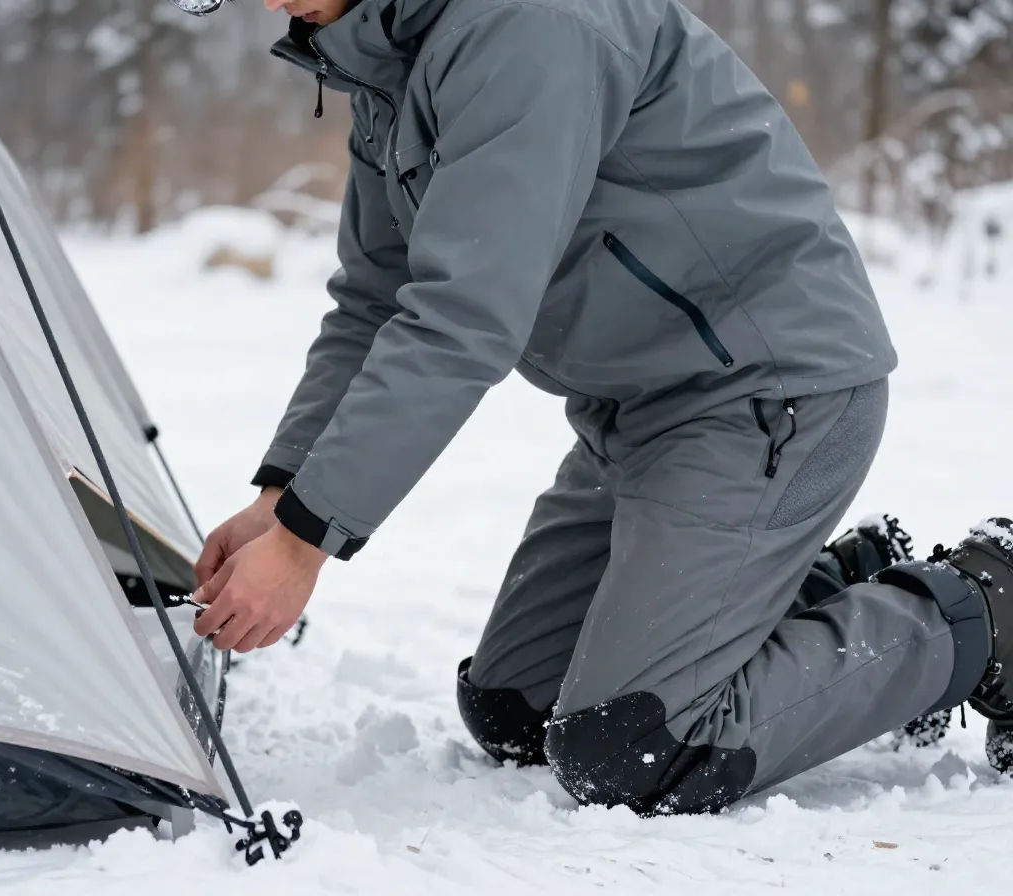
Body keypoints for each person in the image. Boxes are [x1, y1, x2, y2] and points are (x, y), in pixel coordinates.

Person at [191, 0, 1013, 815]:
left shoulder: (525, 25)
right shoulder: (387, 56)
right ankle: (846, 583)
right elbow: (375, 298)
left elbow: (462, 316)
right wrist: (280, 497)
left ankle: (979, 607)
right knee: (515, 710)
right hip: (634, 416)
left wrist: (306, 543)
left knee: (635, 749)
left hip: (767, 396)